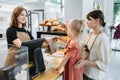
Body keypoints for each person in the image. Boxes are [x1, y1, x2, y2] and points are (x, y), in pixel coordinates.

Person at [73, 10, 111, 80]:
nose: (87, 22)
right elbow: (81, 46)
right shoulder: (90, 34)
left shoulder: (103, 38)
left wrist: (85, 62)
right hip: (84, 72)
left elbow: (103, 63)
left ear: (97, 21)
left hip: (93, 76)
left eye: (89, 20)